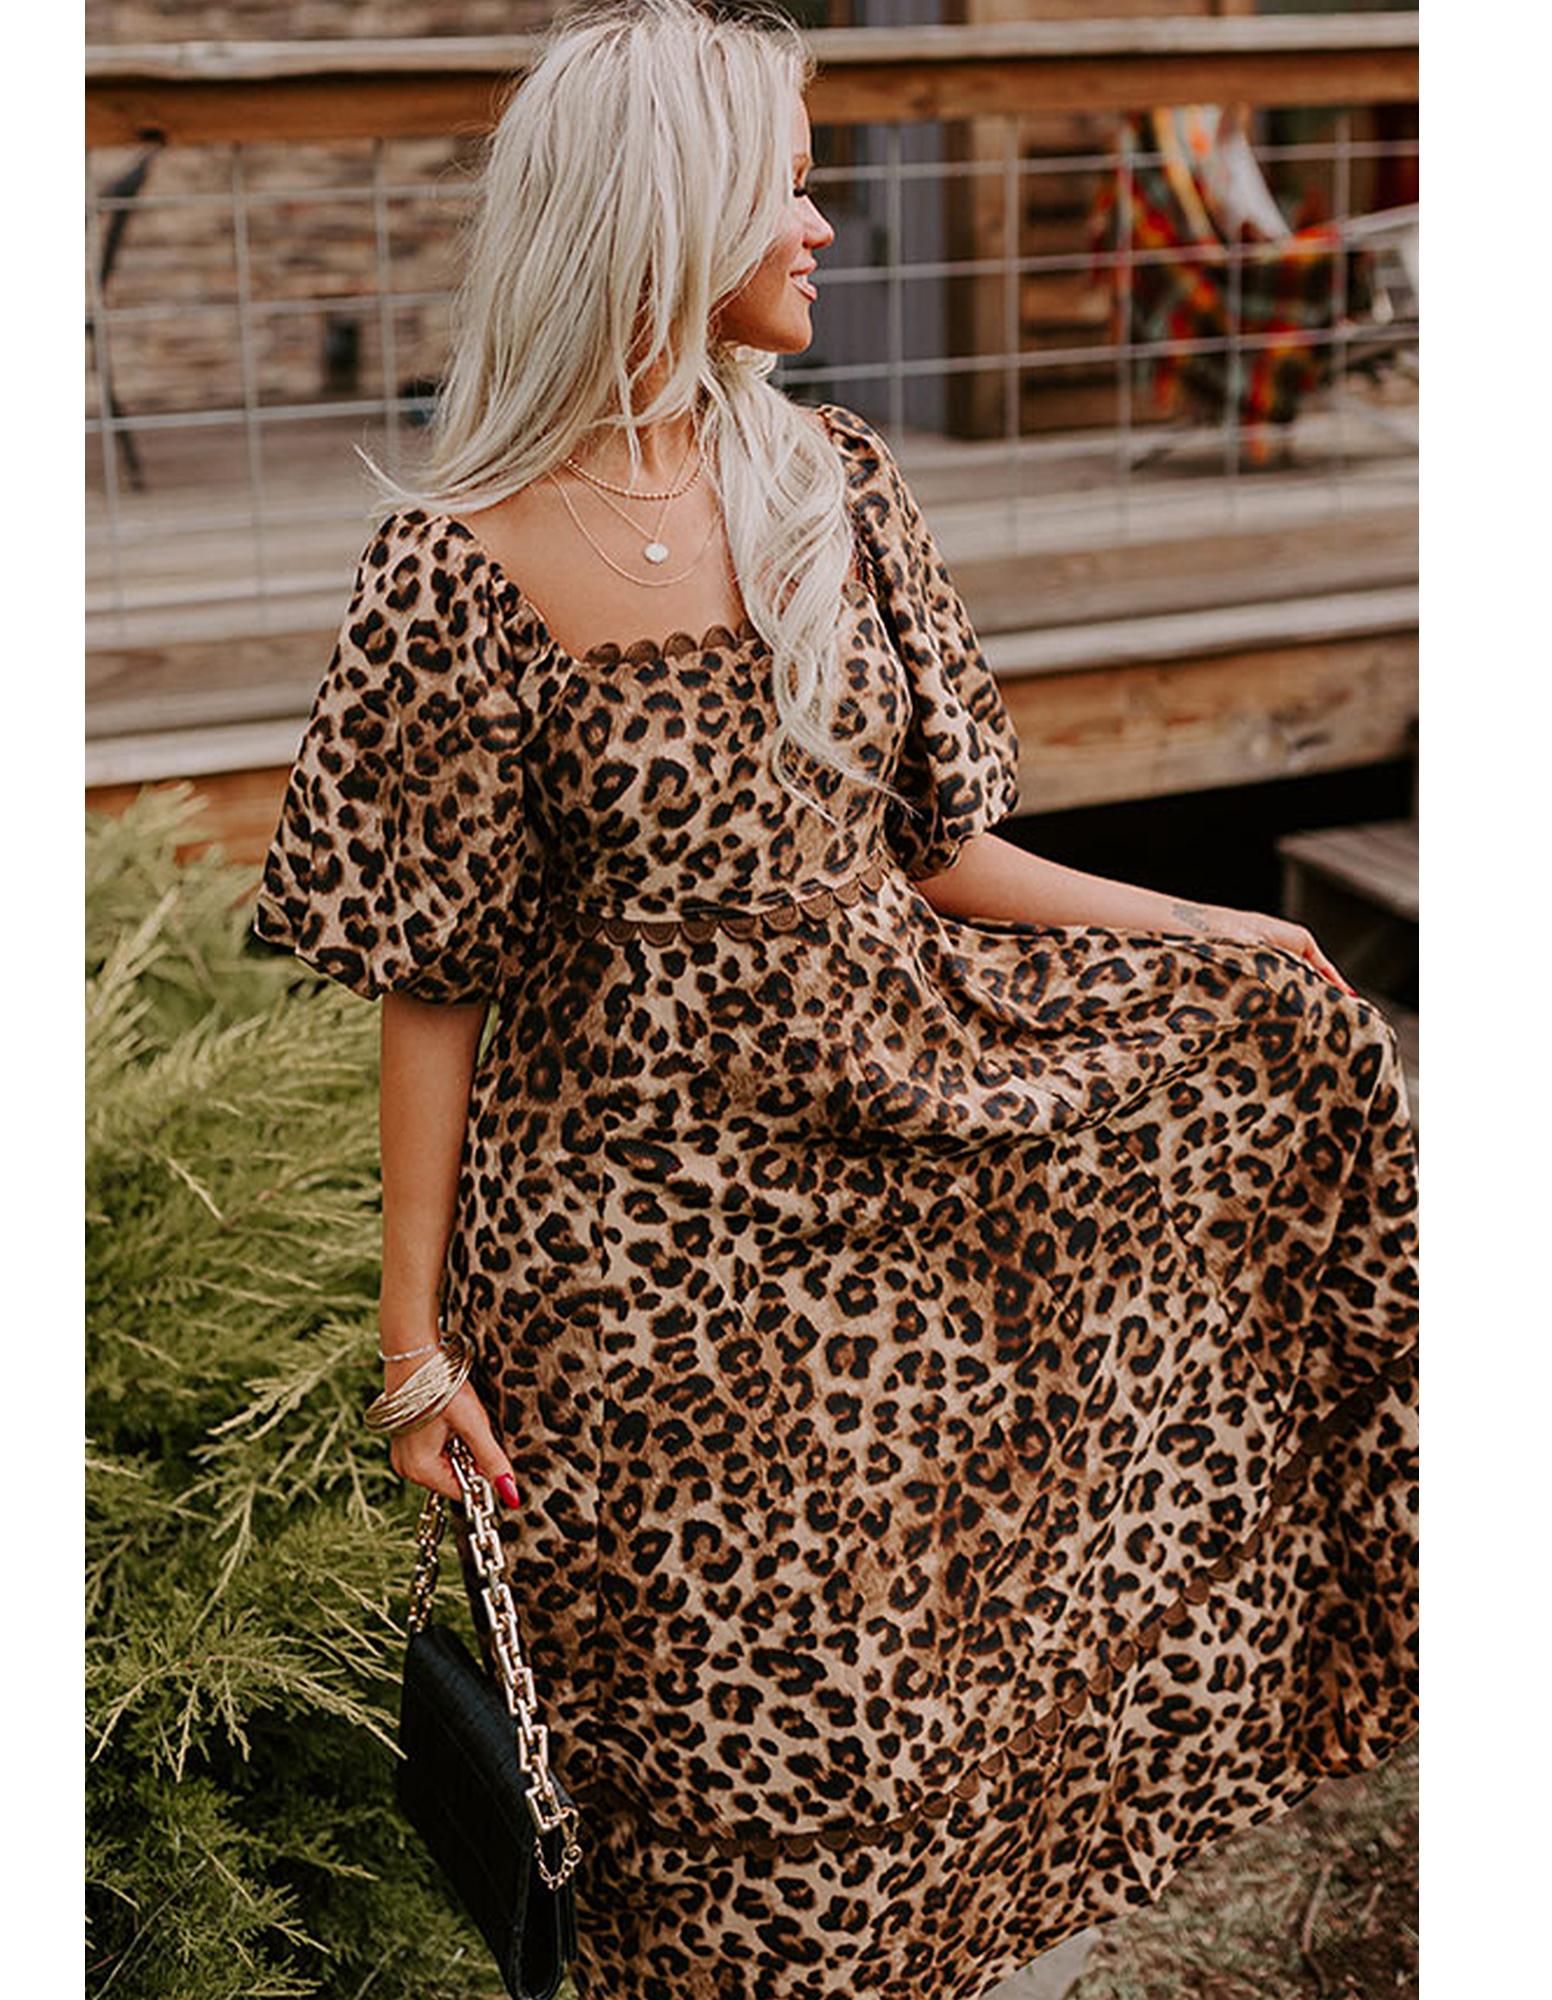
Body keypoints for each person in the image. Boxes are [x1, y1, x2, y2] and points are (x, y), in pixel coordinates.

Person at [251, 3, 1419, 1995]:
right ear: (664, 210)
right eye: (784, 186)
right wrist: (414, 1347)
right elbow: (431, 980)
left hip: (896, 1211)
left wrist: (1209, 927)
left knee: (904, 1721)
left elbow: (937, 846)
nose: (821, 228)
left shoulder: (834, 483)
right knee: (715, 1788)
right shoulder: (447, 570)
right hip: (635, 1287)